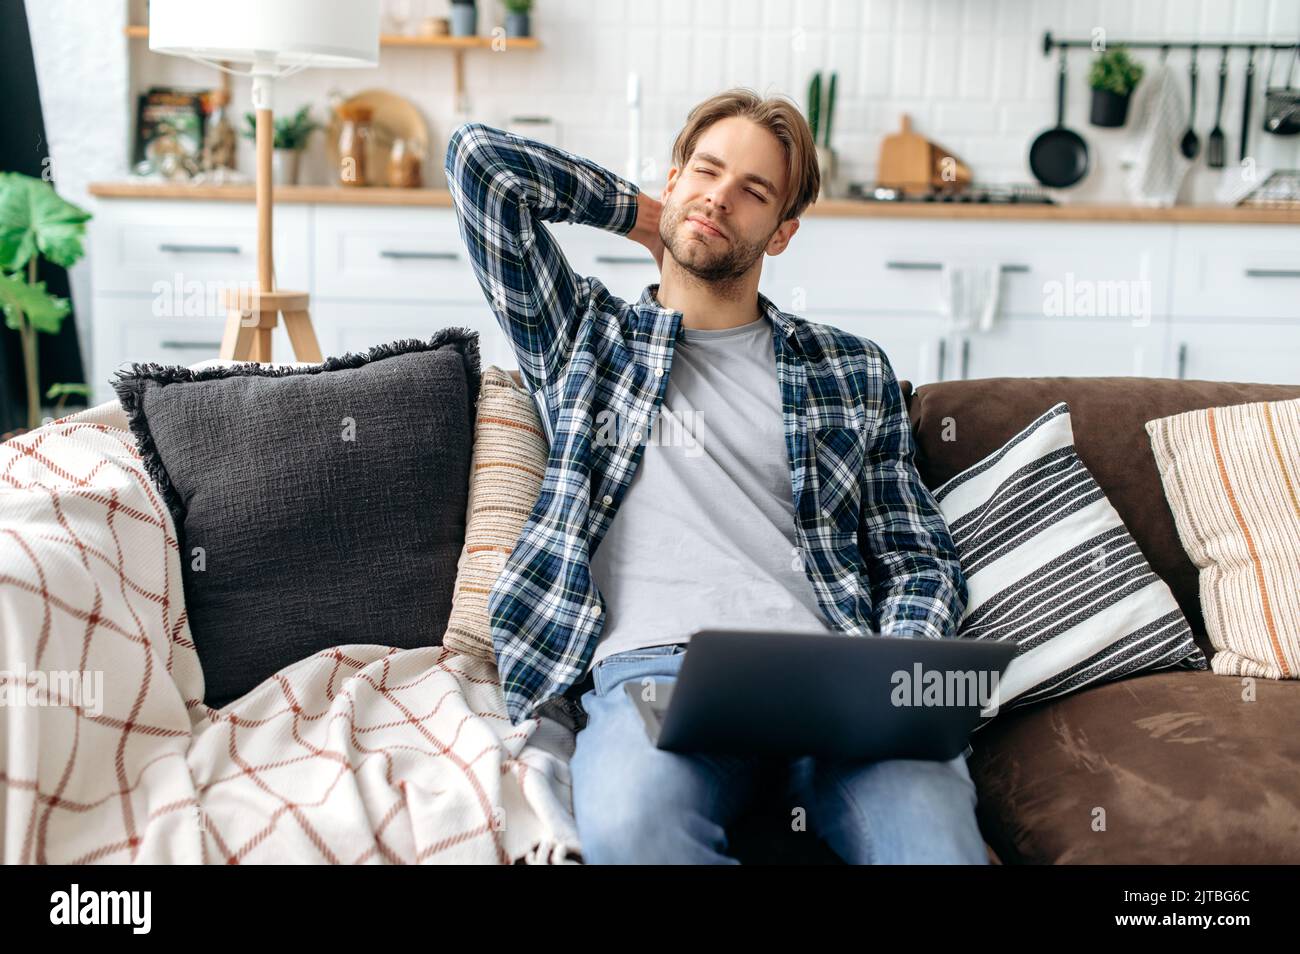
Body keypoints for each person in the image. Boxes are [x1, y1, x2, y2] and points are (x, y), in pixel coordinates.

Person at [443, 88, 984, 864]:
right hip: (657, 679)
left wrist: (896, 668)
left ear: (784, 232)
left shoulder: (851, 368)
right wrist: (647, 217)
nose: (720, 198)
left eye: (753, 191)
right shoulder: (583, 340)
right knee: (634, 828)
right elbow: (479, 163)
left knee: (934, 845)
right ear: (672, 180)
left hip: (832, 679)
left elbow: (917, 557)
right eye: (706, 171)